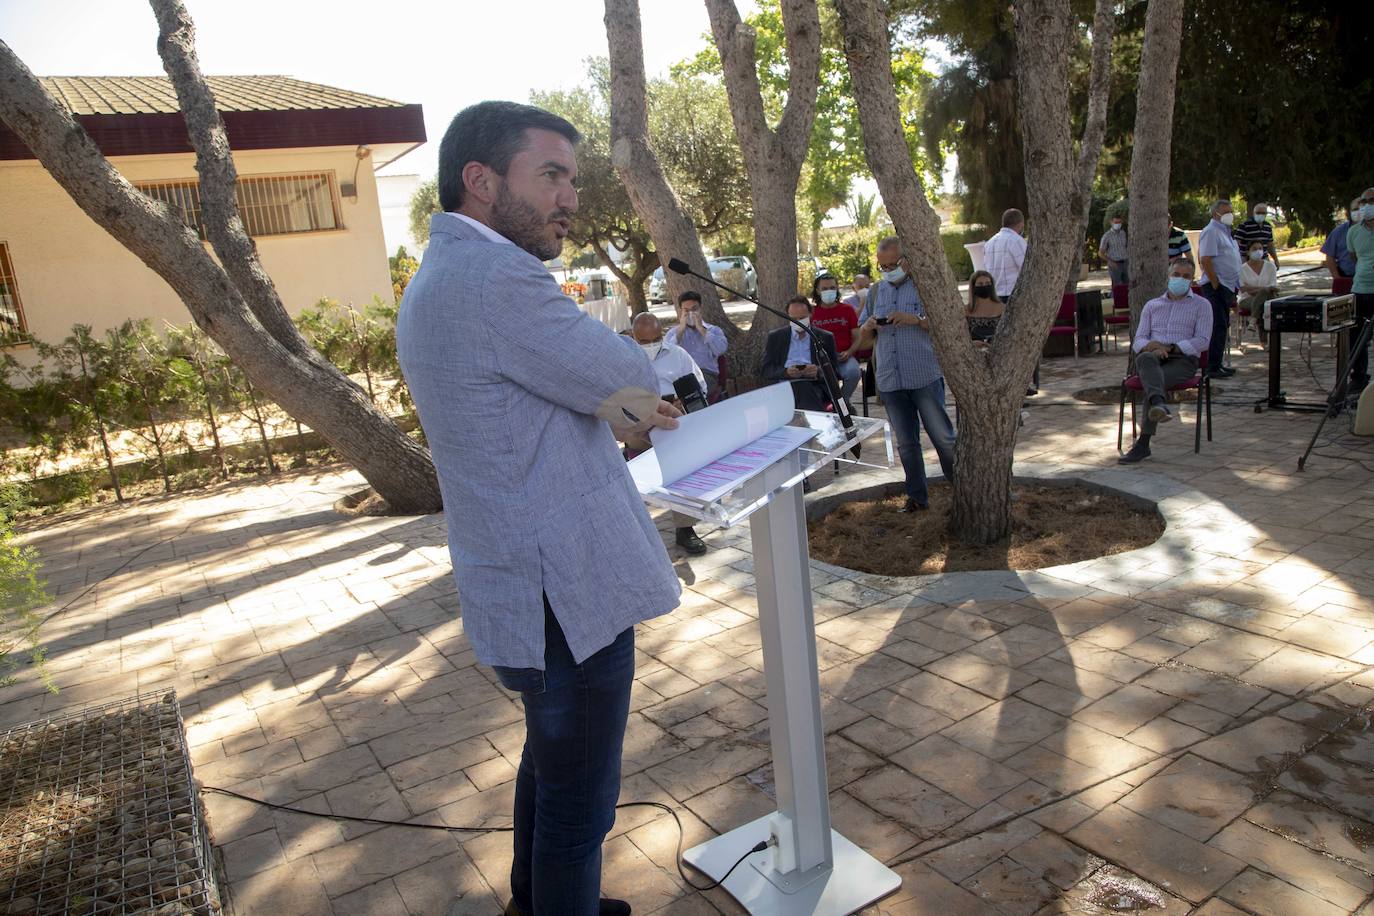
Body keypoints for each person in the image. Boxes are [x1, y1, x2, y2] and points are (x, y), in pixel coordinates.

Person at [395, 100, 682, 916]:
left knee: (551, 767)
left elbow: (587, 397)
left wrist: (609, 401)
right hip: (566, 591)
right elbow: (635, 378)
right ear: (480, 182)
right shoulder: (498, 280)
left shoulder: (440, 277)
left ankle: (537, 907)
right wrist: (620, 394)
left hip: (523, 581)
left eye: (573, 180)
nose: (570, 197)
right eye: (550, 175)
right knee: (579, 804)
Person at [851, 237, 957, 512]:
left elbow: (948, 322)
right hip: (891, 379)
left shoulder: (925, 287)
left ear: (906, 261)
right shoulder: (875, 292)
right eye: (882, 266)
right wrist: (870, 326)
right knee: (907, 443)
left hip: (922, 374)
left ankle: (963, 490)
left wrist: (917, 321)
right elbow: (862, 335)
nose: (887, 270)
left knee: (943, 438)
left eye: (892, 265)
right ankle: (917, 498)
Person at [630, 312, 710, 556]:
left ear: (661, 335)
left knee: (681, 461)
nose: (650, 346)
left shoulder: (678, 355)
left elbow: (701, 386)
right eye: (643, 342)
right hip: (638, 423)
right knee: (630, 465)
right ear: (634, 338)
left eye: (654, 340)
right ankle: (635, 532)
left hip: (673, 419)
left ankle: (685, 528)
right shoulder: (625, 358)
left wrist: (681, 399)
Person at [1118, 260, 1213, 464]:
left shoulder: (1202, 305)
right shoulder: (1152, 305)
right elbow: (1139, 340)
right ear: (1169, 275)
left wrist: (1172, 347)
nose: (1180, 279)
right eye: (1176, 274)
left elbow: (1203, 340)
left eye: (1186, 276)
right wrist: (1154, 347)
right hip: (1152, 357)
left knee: (1152, 383)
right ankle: (1158, 404)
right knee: (1144, 359)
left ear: (1192, 280)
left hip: (1183, 360)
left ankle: (1143, 443)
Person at [761, 296, 841, 412]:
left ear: (810, 314)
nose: (798, 322)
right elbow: (766, 369)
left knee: (804, 389)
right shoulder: (776, 337)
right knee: (795, 392)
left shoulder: (824, 337)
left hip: (814, 385)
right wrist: (786, 372)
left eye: (802, 318)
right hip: (785, 385)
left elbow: (835, 371)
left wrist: (818, 371)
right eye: (794, 319)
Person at [1197, 199, 1241, 379]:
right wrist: (1215, 283)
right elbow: (1205, 259)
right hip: (1216, 286)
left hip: (1227, 285)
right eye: (1225, 211)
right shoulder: (1211, 232)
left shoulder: (1226, 232)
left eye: (1230, 211)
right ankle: (1212, 366)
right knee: (1217, 325)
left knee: (1223, 326)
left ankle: (1218, 363)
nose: (1229, 215)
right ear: (1215, 213)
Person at [664, 290, 728, 400]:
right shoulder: (673, 333)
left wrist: (701, 329)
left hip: (706, 375)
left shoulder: (713, 330)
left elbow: (721, 350)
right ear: (680, 311)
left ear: (700, 308)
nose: (691, 314)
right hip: (681, 377)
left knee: (694, 393)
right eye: (686, 310)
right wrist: (680, 332)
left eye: (694, 309)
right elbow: (666, 355)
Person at [810, 272, 862, 401]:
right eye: (825, 289)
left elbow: (858, 337)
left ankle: (842, 404)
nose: (829, 291)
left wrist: (849, 352)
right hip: (821, 359)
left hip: (844, 356)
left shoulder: (847, 310)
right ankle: (830, 403)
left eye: (832, 288)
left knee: (853, 372)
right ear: (817, 291)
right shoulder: (812, 313)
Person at [1348, 189, 1374, 396]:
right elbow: (1355, 258)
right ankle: (1358, 379)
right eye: (1363, 202)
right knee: (1358, 338)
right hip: (1361, 290)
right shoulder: (1354, 231)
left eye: (1371, 201)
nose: (1366, 205)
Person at [1238, 238, 1279, 345]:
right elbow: (1244, 289)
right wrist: (1264, 289)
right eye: (1255, 249)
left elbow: (1273, 287)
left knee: (1264, 303)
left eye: (1260, 248)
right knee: (1264, 303)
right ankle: (1264, 341)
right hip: (1247, 300)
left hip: (1268, 299)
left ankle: (1253, 320)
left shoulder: (1270, 266)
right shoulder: (1242, 269)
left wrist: (1254, 288)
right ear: (1248, 252)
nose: (1258, 251)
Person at [983, 209, 1027, 299]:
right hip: (1012, 293)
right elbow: (1026, 267)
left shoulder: (989, 243)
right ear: (1021, 224)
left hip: (995, 294)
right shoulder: (1016, 241)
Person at [1323, 198, 1362, 284]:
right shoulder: (1339, 231)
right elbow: (1329, 256)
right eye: (1355, 209)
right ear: (1350, 212)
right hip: (1346, 277)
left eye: (1361, 208)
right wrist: (1337, 278)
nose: (1359, 212)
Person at [1234, 202, 1280, 270]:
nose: (1260, 215)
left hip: (1264, 259)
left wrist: (1275, 259)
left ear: (1266, 214)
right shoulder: (1244, 226)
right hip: (1247, 261)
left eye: (1263, 213)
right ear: (1254, 213)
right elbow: (1236, 244)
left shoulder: (1267, 226)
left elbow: (1270, 245)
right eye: (1258, 213)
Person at [966, 269, 1003, 347]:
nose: (984, 286)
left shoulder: (1003, 308)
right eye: (980, 284)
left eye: (988, 283)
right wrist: (972, 343)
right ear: (973, 287)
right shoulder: (966, 310)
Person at [1100, 214, 1130, 285]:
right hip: (1115, 264)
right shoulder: (1107, 236)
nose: (1118, 224)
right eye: (1116, 222)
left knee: (1127, 286)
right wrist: (1110, 262)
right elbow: (1100, 253)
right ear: (1111, 222)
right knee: (1117, 287)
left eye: (1119, 222)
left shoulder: (1123, 233)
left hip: (1125, 263)